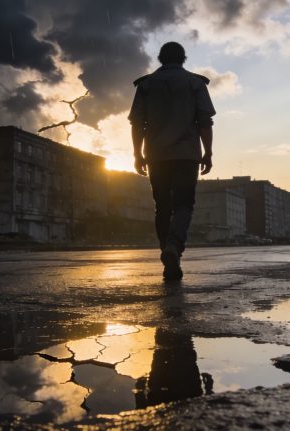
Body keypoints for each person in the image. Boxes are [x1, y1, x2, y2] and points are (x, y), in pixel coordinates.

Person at [128, 41, 216, 281]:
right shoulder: (195, 83)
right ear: (183, 58)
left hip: (157, 156)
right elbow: (205, 122)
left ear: (160, 58)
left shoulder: (146, 85)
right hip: (187, 155)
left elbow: (137, 124)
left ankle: (169, 261)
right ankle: (174, 247)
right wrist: (207, 152)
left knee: (163, 207)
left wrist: (138, 154)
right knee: (184, 205)